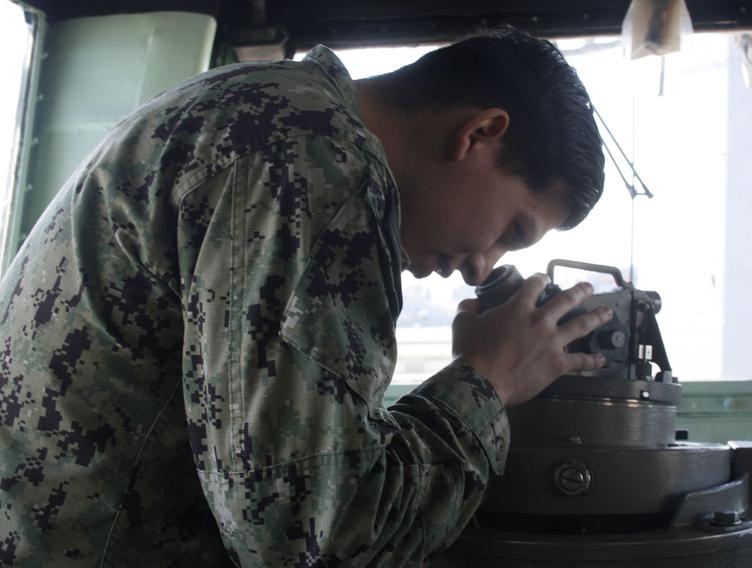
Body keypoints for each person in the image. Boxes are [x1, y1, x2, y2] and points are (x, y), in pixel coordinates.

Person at [0, 26, 607, 566]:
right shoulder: (318, 165)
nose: (482, 268)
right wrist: (487, 382)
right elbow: (317, 543)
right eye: (511, 231)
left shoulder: (265, 106)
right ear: (480, 133)